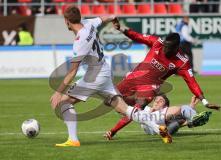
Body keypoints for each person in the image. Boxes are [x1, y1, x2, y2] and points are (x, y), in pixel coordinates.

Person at [50, 5, 172, 147]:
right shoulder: (89, 23)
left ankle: (73, 140)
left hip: (94, 77)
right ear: (79, 17)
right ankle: (159, 128)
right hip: (105, 72)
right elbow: (103, 18)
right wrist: (113, 18)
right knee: (124, 108)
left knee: (64, 102)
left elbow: (73, 71)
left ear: (67, 21)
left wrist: (58, 91)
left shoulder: (80, 41)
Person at [104, 18, 220, 140]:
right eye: (165, 46)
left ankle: (114, 132)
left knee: (137, 109)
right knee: (110, 101)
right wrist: (121, 28)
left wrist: (204, 101)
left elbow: (192, 82)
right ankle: (171, 123)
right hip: (133, 78)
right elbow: (137, 36)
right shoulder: (158, 43)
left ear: (176, 48)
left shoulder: (181, 62)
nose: (164, 49)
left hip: (149, 87)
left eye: (168, 48)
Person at [139, 95, 212, 135]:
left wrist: (190, 107)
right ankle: (193, 120)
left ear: (166, 106)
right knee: (182, 111)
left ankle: (192, 120)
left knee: (178, 118)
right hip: (154, 126)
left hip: (160, 129)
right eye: (156, 100)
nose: (157, 101)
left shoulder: (164, 111)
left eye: (161, 101)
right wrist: (190, 107)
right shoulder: (147, 109)